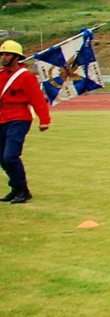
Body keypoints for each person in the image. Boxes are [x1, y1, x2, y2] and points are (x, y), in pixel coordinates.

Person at [0, 40, 51, 204]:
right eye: (2, 54)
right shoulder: (1, 75)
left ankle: (23, 190)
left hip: (19, 118)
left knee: (10, 156)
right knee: (2, 157)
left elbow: (37, 99)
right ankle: (15, 187)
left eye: (7, 54)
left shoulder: (26, 76)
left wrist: (44, 120)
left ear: (17, 57)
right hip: (2, 118)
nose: (4, 57)